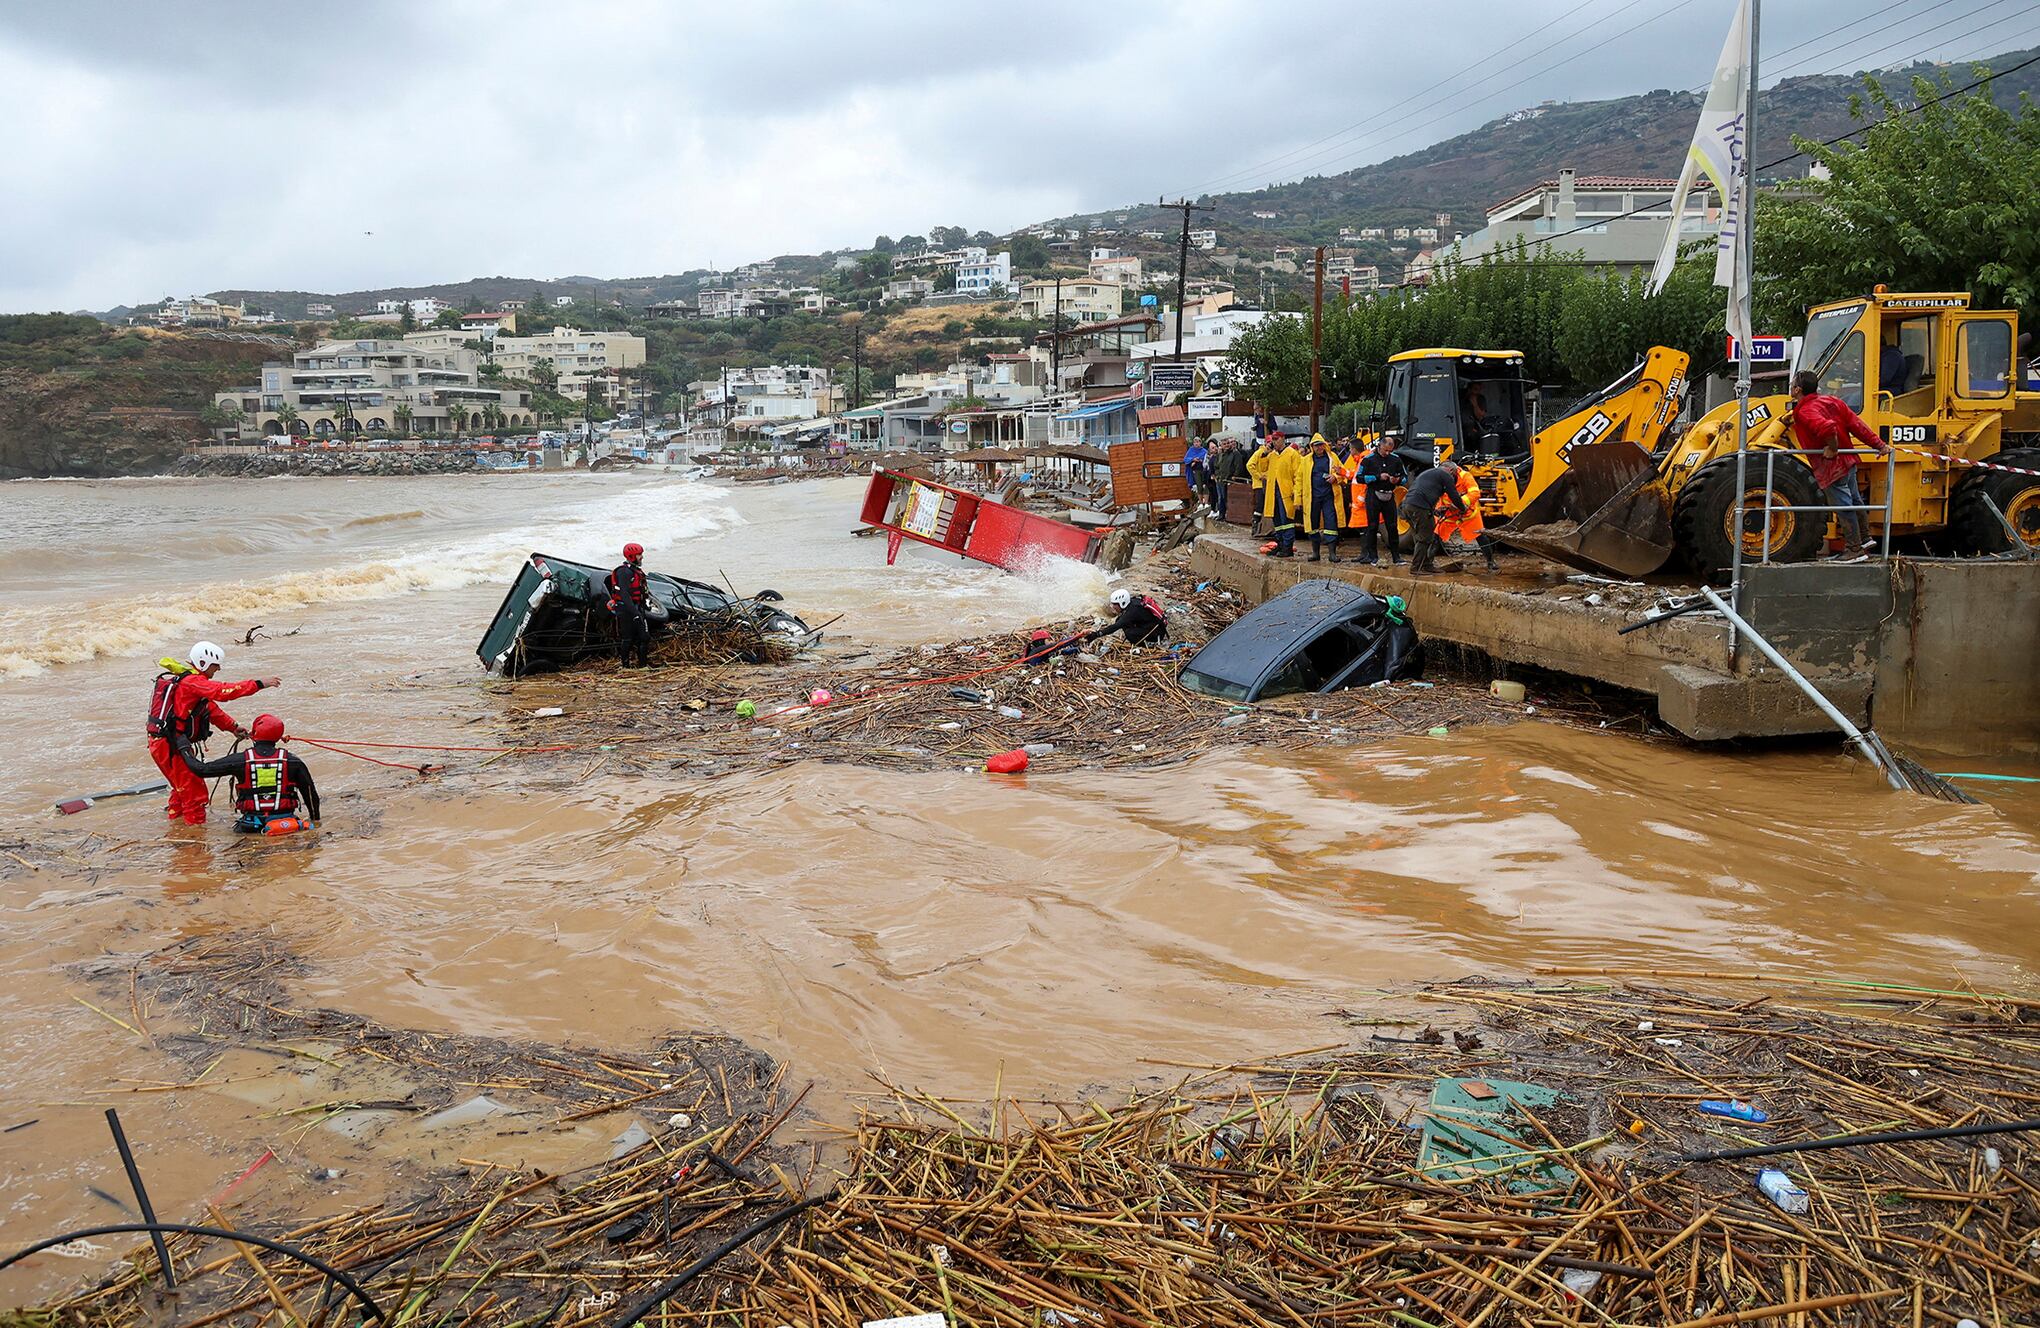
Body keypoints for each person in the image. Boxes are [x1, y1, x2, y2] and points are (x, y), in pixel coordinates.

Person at [149, 641, 277, 826]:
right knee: (194, 793)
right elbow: (223, 692)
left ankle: (178, 827)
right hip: (170, 744)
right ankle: (196, 839)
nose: (218, 669)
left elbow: (210, 709)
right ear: (203, 663)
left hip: (167, 742)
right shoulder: (193, 682)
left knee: (181, 788)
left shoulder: (191, 682)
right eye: (215, 665)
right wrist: (258, 684)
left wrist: (233, 727)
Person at [1787, 369, 1889, 553]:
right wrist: (1879, 445)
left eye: (1792, 385)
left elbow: (1827, 428)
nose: (1791, 388)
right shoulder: (1832, 401)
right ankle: (1865, 539)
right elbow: (1857, 425)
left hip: (1831, 467)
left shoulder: (1804, 411)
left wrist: (1832, 448)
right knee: (1855, 500)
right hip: (1849, 461)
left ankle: (1854, 549)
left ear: (1797, 390)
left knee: (1843, 506)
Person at [179, 713, 321, 834]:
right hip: (286, 826)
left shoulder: (241, 760)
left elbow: (201, 769)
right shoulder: (293, 761)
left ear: (254, 734)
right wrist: (316, 820)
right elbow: (310, 794)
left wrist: (183, 746)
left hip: (250, 827)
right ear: (278, 737)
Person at [1399, 461, 1467, 576]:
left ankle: (1427, 565)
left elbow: (1424, 492)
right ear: (1451, 470)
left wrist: (1434, 511)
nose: (1453, 477)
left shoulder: (1430, 473)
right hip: (1419, 507)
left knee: (1423, 535)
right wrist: (1462, 508)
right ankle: (1416, 567)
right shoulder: (1445, 475)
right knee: (1424, 538)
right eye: (1454, 474)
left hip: (1408, 506)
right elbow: (1453, 494)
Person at [1433, 464, 1497, 572]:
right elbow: (1439, 496)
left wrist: (1460, 503)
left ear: (1453, 473)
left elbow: (1475, 493)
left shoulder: (1465, 477)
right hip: (1449, 514)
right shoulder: (1440, 478)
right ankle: (1427, 563)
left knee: (1481, 537)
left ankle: (1491, 562)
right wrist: (1439, 509)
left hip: (1468, 514)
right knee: (1435, 537)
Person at [1353, 435, 1405, 565]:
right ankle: (1373, 557)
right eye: (1385, 450)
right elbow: (1359, 477)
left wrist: (1397, 480)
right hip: (1373, 495)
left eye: (1390, 451)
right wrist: (1377, 477)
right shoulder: (1368, 459)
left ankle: (1396, 557)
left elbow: (1404, 477)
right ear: (1379, 446)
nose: (1387, 453)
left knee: (1392, 526)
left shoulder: (1396, 459)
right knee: (1372, 526)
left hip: (1389, 495)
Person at [1301, 434, 1348, 562]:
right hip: (1312, 498)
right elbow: (1299, 480)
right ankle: (1315, 553)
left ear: (1324, 445)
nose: (1319, 448)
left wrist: (1335, 478)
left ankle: (1332, 554)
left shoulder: (1333, 457)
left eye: (1321, 445)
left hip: (1329, 496)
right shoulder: (1305, 460)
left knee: (1331, 523)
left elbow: (1342, 473)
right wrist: (1297, 499)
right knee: (1313, 525)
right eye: (1316, 445)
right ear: (1312, 447)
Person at [605, 542, 653, 667]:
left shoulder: (635, 570)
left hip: (637, 607)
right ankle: (625, 666)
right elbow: (625, 594)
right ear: (631, 556)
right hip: (626, 609)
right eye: (639, 555)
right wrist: (635, 613)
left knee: (644, 637)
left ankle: (642, 666)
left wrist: (645, 604)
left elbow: (641, 589)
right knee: (628, 638)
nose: (641, 557)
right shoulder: (624, 572)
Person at [1084, 588, 1167, 646]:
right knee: (1121, 621)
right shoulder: (1132, 603)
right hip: (1151, 626)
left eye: (1115, 604)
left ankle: (1144, 645)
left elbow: (1116, 626)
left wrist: (1096, 635)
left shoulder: (1133, 611)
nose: (1113, 607)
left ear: (1122, 603)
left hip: (1156, 633)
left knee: (1129, 633)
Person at [1246, 432, 1278, 536]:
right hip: (1260, 484)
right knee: (1260, 505)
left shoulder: (1274, 454)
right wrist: (1259, 475)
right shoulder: (1259, 453)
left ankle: (1268, 528)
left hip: (1269, 483)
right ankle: (1255, 527)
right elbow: (1250, 465)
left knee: (1269, 506)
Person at [1209, 437, 1245, 520]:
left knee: (1228, 498)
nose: (1227, 445)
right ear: (1221, 445)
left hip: (1229, 480)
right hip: (1220, 480)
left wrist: (1234, 476)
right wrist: (1217, 476)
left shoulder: (1235, 454)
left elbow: (1238, 466)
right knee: (1220, 498)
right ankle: (1221, 514)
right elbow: (1216, 466)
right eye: (1224, 444)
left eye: (1228, 443)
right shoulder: (1221, 455)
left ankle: (1229, 515)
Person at [1182, 435, 1212, 510]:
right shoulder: (1191, 450)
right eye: (1195, 442)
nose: (1196, 444)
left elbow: (1207, 458)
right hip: (1196, 470)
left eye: (1198, 442)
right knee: (1199, 486)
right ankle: (1201, 502)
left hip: (1204, 470)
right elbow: (1186, 459)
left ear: (1200, 443)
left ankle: (1206, 502)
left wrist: (1201, 460)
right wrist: (1193, 459)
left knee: (1205, 485)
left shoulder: (1204, 451)